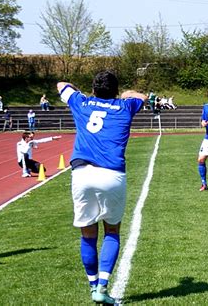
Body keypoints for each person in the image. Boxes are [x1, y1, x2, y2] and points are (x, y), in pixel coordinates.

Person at [57, 71, 147, 304]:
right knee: (112, 232)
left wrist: (85, 94)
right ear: (116, 91)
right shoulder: (126, 106)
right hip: (112, 174)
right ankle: (103, 288)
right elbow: (142, 96)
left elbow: (62, 84)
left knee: (87, 235)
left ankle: (92, 285)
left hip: (82, 173)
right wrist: (126, 93)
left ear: (94, 89)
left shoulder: (80, 101)